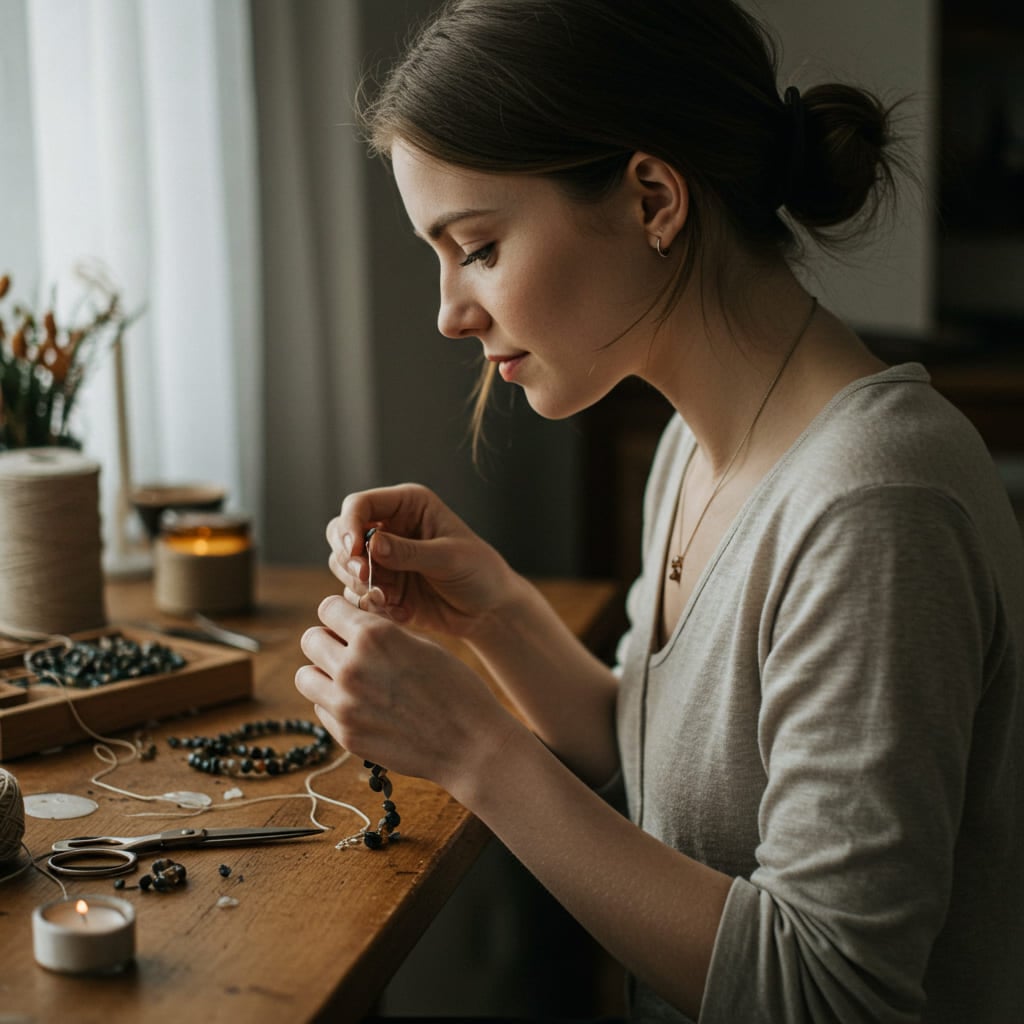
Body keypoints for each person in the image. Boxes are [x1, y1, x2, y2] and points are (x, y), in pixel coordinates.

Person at [294, 1, 1024, 1020]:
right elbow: (676, 786)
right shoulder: (691, 444)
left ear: (651, 198)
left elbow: (827, 993)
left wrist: (476, 750)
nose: (450, 311)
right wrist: (493, 615)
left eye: (479, 246)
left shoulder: (874, 506)